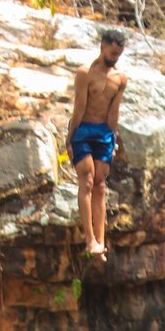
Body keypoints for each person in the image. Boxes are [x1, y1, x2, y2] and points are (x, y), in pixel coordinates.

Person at [65, 28, 128, 262]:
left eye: (118, 55)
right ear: (102, 46)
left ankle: (100, 243)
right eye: (112, 52)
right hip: (84, 130)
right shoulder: (85, 73)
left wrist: (114, 140)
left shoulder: (120, 78)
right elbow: (79, 107)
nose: (114, 58)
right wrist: (69, 138)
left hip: (103, 133)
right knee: (88, 180)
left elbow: (114, 114)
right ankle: (89, 239)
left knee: (101, 184)